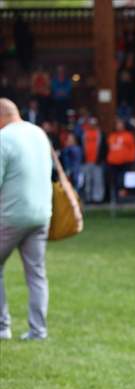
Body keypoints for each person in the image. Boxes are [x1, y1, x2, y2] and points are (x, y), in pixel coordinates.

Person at [0, 98, 53, 341]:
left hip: (11, 216)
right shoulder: (39, 133)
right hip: (42, 213)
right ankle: (38, 331)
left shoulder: (4, 138)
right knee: (36, 274)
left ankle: (2, 327)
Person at [106, 118, 135, 202]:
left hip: (125, 162)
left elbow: (133, 148)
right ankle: (116, 198)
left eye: (121, 124)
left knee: (123, 180)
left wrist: (132, 159)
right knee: (114, 181)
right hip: (113, 163)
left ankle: (124, 197)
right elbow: (108, 148)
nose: (119, 126)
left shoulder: (128, 135)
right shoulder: (111, 136)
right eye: (117, 125)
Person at [81, 117, 106, 204]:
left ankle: (98, 199)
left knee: (98, 181)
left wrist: (100, 158)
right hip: (86, 161)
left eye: (94, 124)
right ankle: (88, 198)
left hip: (97, 161)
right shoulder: (84, 134)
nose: (92, 125)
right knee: (87, 180)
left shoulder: (100, 134)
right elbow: (82, 146)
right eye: (91, 124)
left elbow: (104, 148)